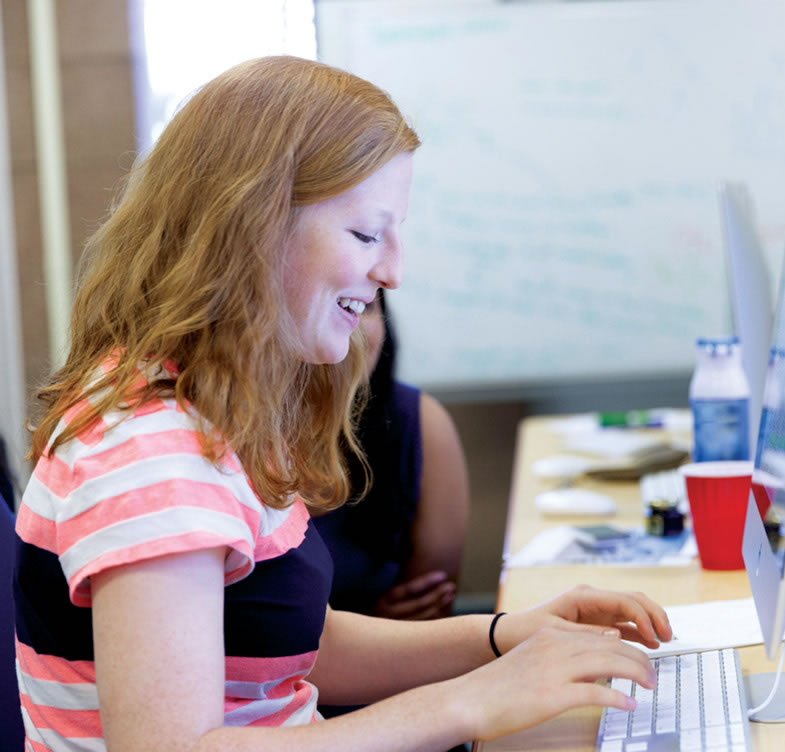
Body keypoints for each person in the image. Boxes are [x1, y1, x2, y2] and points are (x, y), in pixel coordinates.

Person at [13, 56, 671, 751]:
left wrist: (502, 635)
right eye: (366, 234)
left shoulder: (215, 407)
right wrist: (468, 704)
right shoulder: (149, 450)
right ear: (252, 228)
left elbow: (287, 641)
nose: (392, 271)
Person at [314, 292, 469, 720]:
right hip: (273, 705)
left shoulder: (416, 421)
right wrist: (367, 627)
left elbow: (428, 609)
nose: (355, 326)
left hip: (395, 690)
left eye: (366, 305)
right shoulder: (234, 439)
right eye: (338, 303)